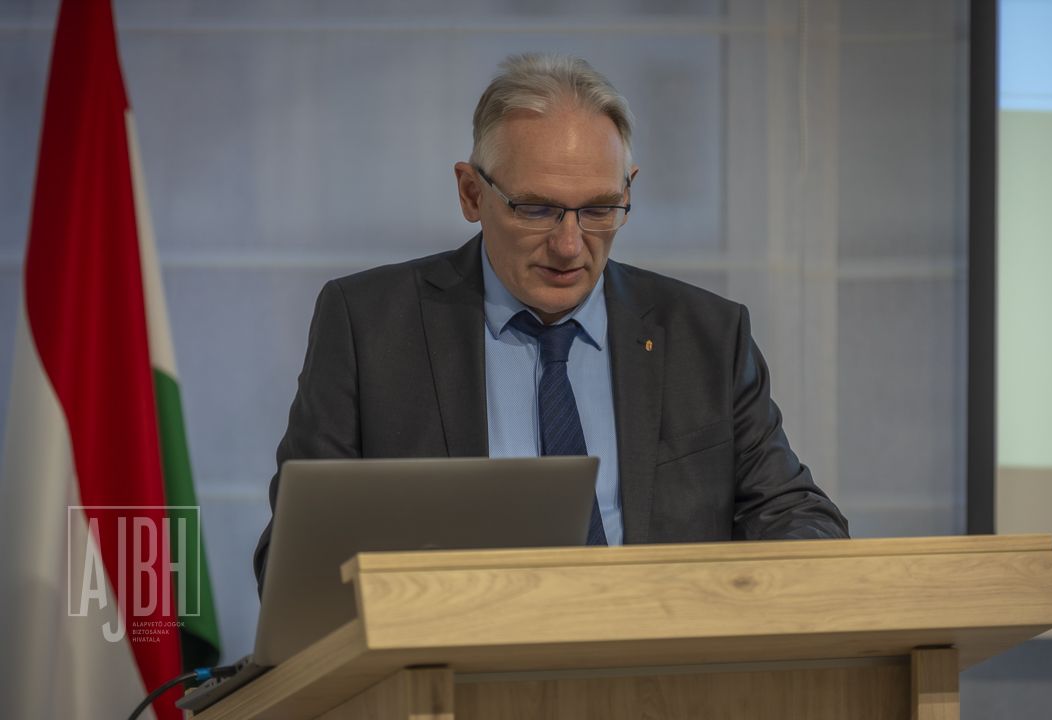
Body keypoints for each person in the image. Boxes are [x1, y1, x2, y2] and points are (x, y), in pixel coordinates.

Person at [253, 53, 847, 591]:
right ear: (471, 194)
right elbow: (295, 558)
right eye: (536, 209)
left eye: (599, 209)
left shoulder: (706, 336)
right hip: (452, 665)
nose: (568, 245)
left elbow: (798, 516)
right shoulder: (370, 326)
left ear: (628, 191)